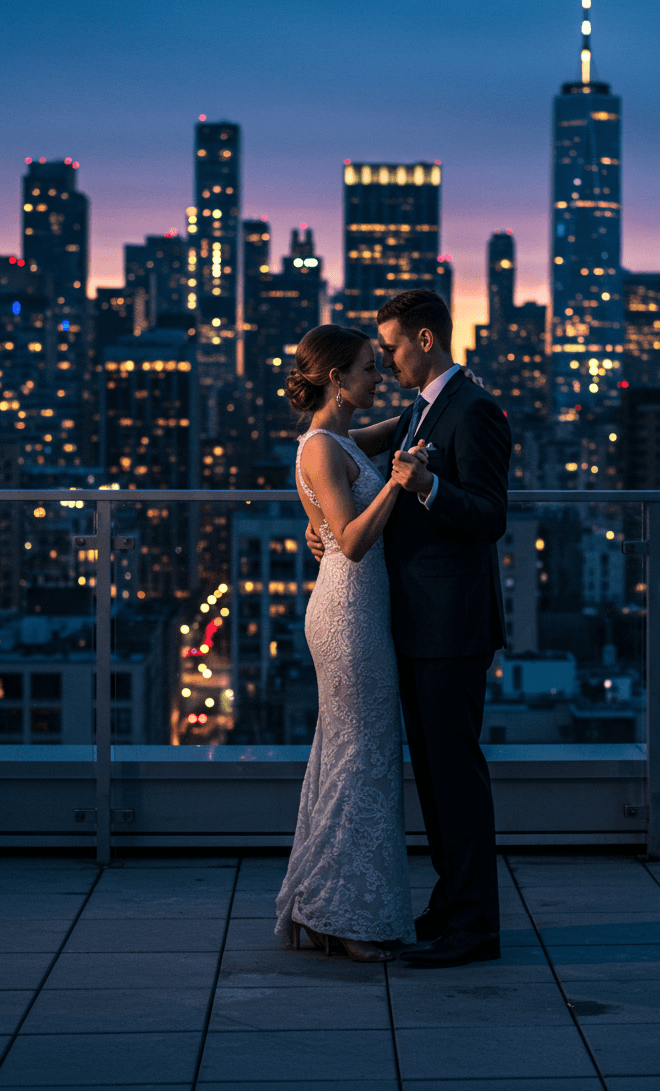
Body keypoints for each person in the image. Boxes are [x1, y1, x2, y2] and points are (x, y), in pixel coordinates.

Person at [308, 289, 512, 968]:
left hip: (451, 625)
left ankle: (475, 928)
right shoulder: (420, 412)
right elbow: (331, 449)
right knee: (433, 778)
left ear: (425, 339)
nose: (385, 359)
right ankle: (452, 906)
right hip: (410, 624)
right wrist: (323, 527)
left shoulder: (475, 411)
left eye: (390, 347)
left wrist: (425, 488)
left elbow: (489, 516)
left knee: (456, 779)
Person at [273, 324, 422, 962]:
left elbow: (387, 430)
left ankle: (324, 908)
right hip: (348, 611)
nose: (377, 375)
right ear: (336, 378)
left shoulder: (335, 438)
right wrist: (398, 484)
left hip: (356, 607)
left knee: (352, 755)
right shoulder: (319, 450)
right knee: (362, 755)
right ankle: (344, 916)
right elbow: (353, 542)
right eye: (367, 367)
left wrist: (432, 401)